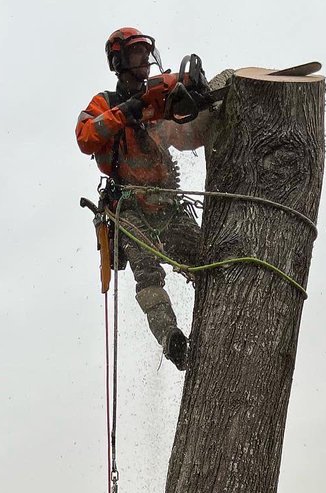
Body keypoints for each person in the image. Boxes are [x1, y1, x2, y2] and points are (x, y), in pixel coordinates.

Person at [75, 28, 224, 370]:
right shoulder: (106, 104)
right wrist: (129, 109)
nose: (144, 59)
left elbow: (186, 136)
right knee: (147, 273)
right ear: (119, 60)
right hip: (127, 207)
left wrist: (201, 104)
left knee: (207, 258)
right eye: (137, 52)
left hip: (166, 204)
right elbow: (86, 137)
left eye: (146, 51)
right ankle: (171, 338)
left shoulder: (159, 100)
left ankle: (220, 319)